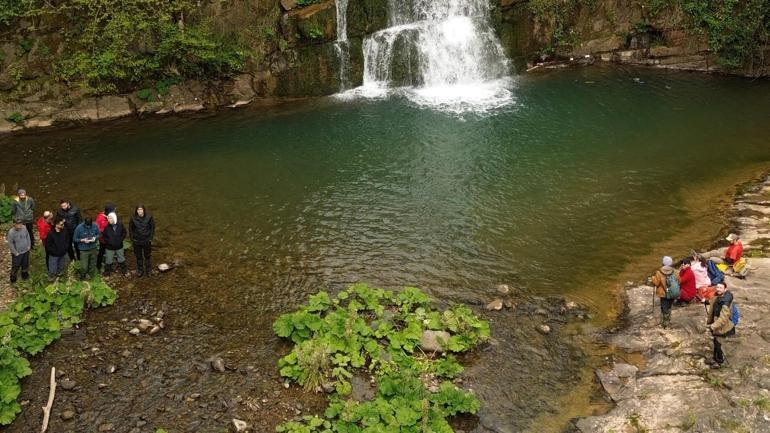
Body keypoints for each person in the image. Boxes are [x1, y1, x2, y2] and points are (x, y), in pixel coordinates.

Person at [705, 282, 735, 369]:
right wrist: (707, 301)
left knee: (719, 344)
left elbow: (723, 318)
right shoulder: (719, 296)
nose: (718, 289)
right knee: (715, 341)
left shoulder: (725, 302)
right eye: (717, 287)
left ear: (725, 289)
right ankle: (715, 358)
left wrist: (713, 326)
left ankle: (719, 361)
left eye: (720, 288)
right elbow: (715, 301)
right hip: (717, 324)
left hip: (722, 327)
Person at [652, 256, 679, 328]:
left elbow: (656, 283)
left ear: (663, 263)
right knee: (669, 306)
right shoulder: (675, 271)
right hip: (672, 292)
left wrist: (653, 278)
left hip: (663, 294)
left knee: (664, 308)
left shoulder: (659, 272)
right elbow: (680, 281)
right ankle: (668, 320)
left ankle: (665, 323)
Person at [129, 204, 155, 277]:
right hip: (137, 241)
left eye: (141, 209)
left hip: (146, 240)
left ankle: (149, 270)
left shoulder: (149, 217)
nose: (140, 211)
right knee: (138, 256)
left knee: (147, 256)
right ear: (136, 211)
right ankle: (140, 270)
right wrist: (132, 239)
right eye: (138, 210)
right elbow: (130, 229)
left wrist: (150, 238)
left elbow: (152, 227)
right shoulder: (133, 218)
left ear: (144, 210)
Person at [6, 219, 31, 284]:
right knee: (16, 266)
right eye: (17, 224)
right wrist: (15, 252)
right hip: (17, 253)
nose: (19, 225)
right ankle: (13, 279)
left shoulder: (24, 227)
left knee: (25, 264)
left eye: (20, 224)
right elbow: (10, 243)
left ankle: (24, 276)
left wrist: (29, 245)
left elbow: (28, 236)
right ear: (14, 224)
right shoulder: (11, 232)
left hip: (25, 251)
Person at [95, 203, 115, 271]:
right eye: (113, 210)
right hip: (103, 240)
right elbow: (97, 229)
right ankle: (98, 266)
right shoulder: (100, 217)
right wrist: (105, 231)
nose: (114, 212)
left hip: (110, 239)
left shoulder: (112, 215)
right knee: (101, 252)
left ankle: (109, 266)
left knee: (110, 252)